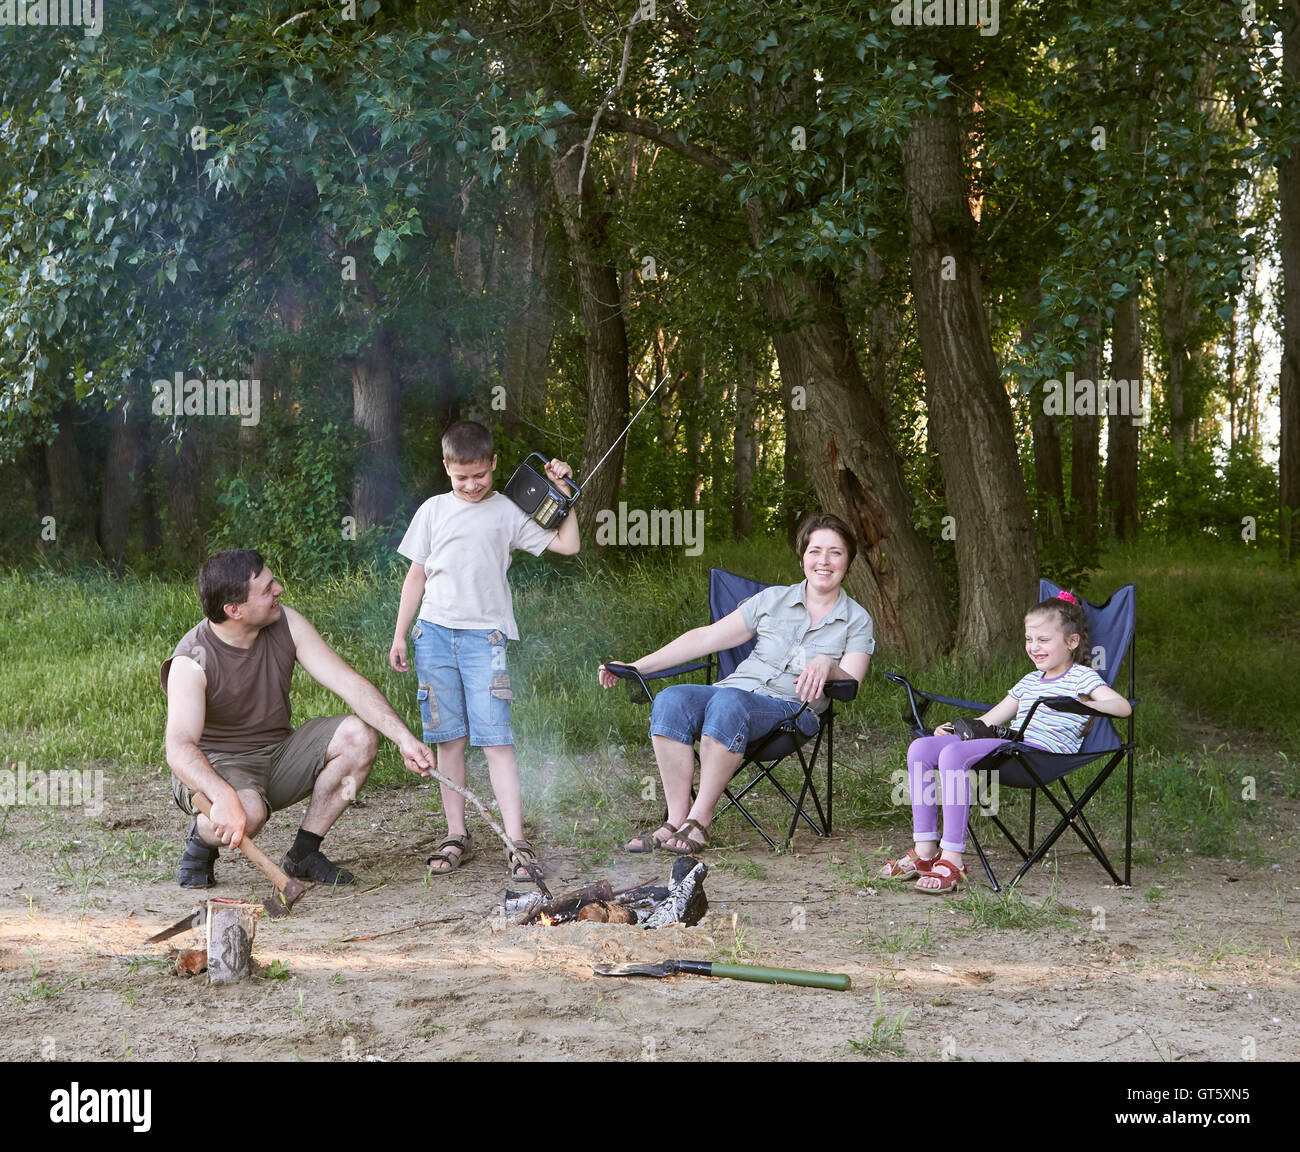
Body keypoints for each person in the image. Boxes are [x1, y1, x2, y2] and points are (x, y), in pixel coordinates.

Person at [598, 512, 873, 855]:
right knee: (671, 699)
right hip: (735, 694)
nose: (824, 561)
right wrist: (637, 666)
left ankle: (700, 820)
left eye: (835, 552)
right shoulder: (773, 600)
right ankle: (675, 819)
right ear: (802, 555)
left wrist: (828, 665)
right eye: (815, 550)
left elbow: (851, 684)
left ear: (848, 560)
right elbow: (705, 638)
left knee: (729, 703)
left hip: (792, 713)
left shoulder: (857, 619)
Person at [164, 549, 436, 890]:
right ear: (234, 610)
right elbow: (178, 748)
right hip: (218, 765)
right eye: (266, 589)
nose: (278, 589)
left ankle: (305, 854)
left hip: (278, 754)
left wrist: (403, 738)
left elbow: (348, 683)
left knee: (359, 736)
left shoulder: (286, 623)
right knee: (248, 814)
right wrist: (221, 796)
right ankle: (202, 838)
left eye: (272, 581)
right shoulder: (191, 659)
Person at [389, 420, 580, 882]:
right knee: (448, 739)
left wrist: (564, 491)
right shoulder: (433, 510)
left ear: (494, 464)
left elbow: (569, 544)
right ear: (446, 469)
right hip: (433, 635)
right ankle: (456, 833)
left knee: (496, 740)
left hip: (485, 641)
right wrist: (400, 633)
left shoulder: (510, 512)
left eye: (480, 475)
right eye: (461, 478)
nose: (472, 486)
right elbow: (416, 576)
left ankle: (516, 841)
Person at [880, 591, 1134, 893]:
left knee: (953, 757)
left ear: (1072, 642)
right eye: (1029, 640)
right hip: (1012, 748)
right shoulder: (1029, 681)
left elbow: (1123, 707)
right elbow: (989, 721)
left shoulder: (1082, 677)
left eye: (1043, 640)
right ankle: (925, 853)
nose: (1034, 648)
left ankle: (953, 860)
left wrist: (1082, 704)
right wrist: (958, 731)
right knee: (921, 747)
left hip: (1040, 757)